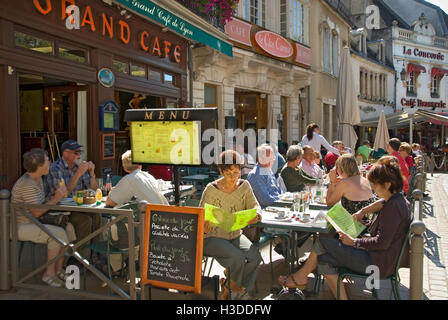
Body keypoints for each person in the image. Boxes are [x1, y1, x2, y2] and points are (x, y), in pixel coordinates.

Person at [278, 158, 411, 300]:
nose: (372, 188)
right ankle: (305, 280)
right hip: (382, 259)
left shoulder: (393, 208)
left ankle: (300, 277)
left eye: (374, 184)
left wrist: (354, 242)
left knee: (324, 241)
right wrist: (364, 211)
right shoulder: (398, 201)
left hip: (377, 263)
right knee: (323, 259)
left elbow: (382, 243)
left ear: (387, 184)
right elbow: (382, 203)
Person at [200, 150, 262, 300]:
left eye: (236, 172)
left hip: (235, 234)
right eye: (228, 173)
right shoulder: (211, 189)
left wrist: (257, 215)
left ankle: (231, 286)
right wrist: (203, 225)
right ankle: (235, 292)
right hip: (212, 237)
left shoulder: (244, 186)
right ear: (221, 171)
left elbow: (255, 206)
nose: (233, 177)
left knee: (255, 257)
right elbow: (200, 214)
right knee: (237, 258)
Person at [11, 149, 76, 287]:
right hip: (21, 225)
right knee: (58, 234)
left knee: (68, 228)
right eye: (47, 160)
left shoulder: (37, 178)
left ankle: (59, 268)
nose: (50, 163)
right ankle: (49, 273)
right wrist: (56, 198)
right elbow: (36, 212)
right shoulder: (27, 184)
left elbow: (38, 204)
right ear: (40, 166)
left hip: (34, 221)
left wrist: (51, 199)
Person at [45, 139, 100, 262]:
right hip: (60, 210)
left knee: (97, 216)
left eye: (80, 152)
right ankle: (78, 258)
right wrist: (77, 175)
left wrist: (92, 173)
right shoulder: (55, 168)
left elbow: (93, 190)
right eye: (76, 152)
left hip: (79, 206)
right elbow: (62, 194)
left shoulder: (79, 167)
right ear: (65, 153)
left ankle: (95, 256)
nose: (79, 155)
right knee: (84, 220)